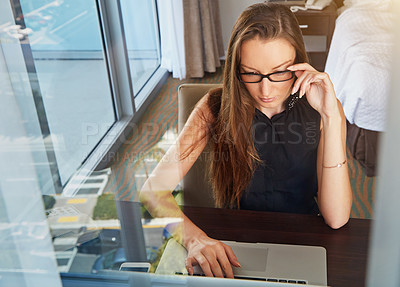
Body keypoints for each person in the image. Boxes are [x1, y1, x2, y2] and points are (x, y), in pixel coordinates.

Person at [139, 2, 352, 279]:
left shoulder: (324, 108)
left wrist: (331, 116)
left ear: (300, 63)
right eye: (251, 73)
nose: (265, 90)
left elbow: (336, 219)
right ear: (236, 67)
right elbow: (152, 191)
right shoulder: (214, 107)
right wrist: (194, 239)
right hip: (230, 245)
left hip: (304, 237)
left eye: (279, 72)